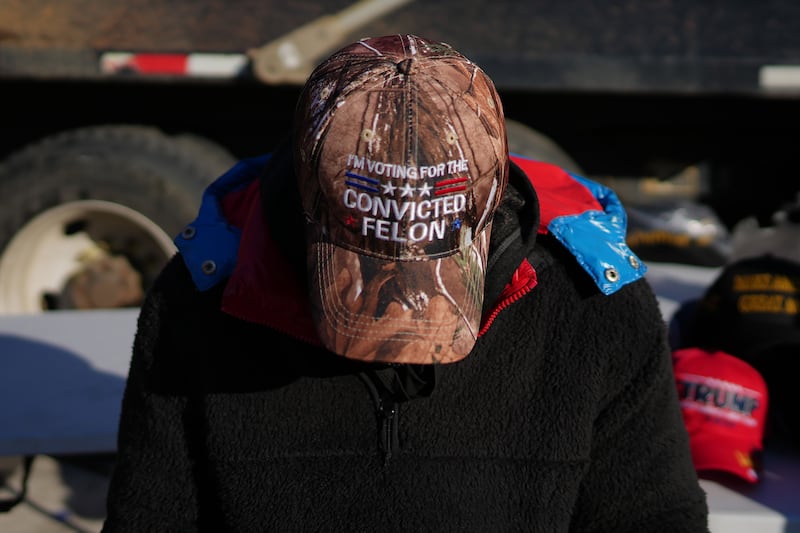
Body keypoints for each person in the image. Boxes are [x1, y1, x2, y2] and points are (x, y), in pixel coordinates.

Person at [102, 34, 709, 532]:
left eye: (435, 263)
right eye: (367, 265)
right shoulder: (204, 301)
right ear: (306, 197)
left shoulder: (592, 307)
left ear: (494, 201)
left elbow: (652, 517)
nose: (408, 302)